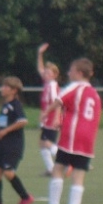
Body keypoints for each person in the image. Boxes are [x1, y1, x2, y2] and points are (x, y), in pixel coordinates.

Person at [39, 57, 101, 204]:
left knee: (58, 169)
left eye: (71, 70)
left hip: (72, 135)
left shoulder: (75, 87)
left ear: (79, 73)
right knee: (78, 176)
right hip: (88, 140)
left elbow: (59, 100)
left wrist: (46, 113)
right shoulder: (95, 94)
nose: (68, 73)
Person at [0, 77, 34, 204]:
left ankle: (26, 197)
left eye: (6, 87)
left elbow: (23, 121)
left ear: (14, 90)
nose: (2, 88)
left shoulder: (16, 105)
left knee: (8, 173)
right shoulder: (5, 105)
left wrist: (6, 130)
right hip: (1, 144)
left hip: (13, 145)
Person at [36, 43, 61, 175]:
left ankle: (69, 161)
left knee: (47, 143)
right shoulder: (47, 83)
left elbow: (58, 103)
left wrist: (56, 118)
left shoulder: (53, 86)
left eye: (48, 72)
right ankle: (50, 169)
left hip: (51, 119)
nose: (45, 74)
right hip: (46, 119)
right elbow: (40, 68)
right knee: (42, 143)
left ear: (54, 75)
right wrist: (40, 53)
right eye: (45, 72)